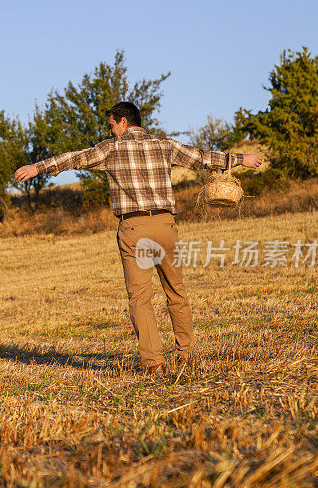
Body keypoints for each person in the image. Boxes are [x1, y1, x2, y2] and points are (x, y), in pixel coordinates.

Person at [14, 102, 263, 376]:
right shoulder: (164, 145)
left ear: (122, 122)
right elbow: (202, 157)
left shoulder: (110, 149)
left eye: (111, 126)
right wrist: (241, 159)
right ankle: (186, 355)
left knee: (140, 298)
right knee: (176, 292)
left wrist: (38, 167)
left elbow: (75, 158)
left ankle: (154, 364)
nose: (110, 133)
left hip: (134, 228)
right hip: (165, 225)